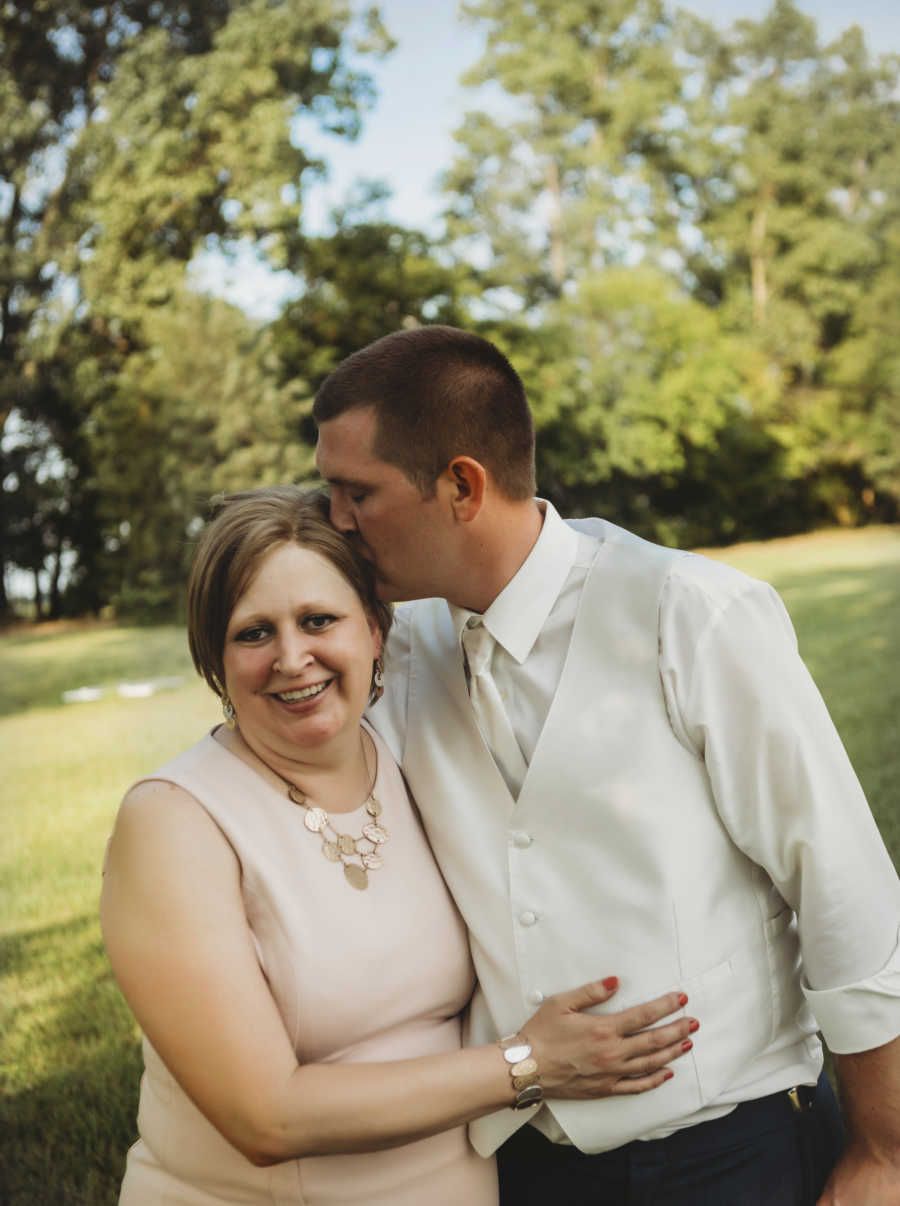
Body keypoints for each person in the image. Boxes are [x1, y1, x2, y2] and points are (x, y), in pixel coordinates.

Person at [313, 325, 900, 1206]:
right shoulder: (397, 649)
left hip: (729, 1151)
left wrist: (884, 1151)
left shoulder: (689, 611)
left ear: (461, 485)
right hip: (522, 1163)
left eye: (357, 492)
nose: (338, 522)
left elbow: (840, 877)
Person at [100, 485, 699, 1206]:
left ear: (376, 631)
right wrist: (531, 1064)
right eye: (253, 633)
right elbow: (265, 1115)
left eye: (318, 620)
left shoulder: (415, 756)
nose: (293, 658)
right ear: (214, 657)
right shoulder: (174, 821)